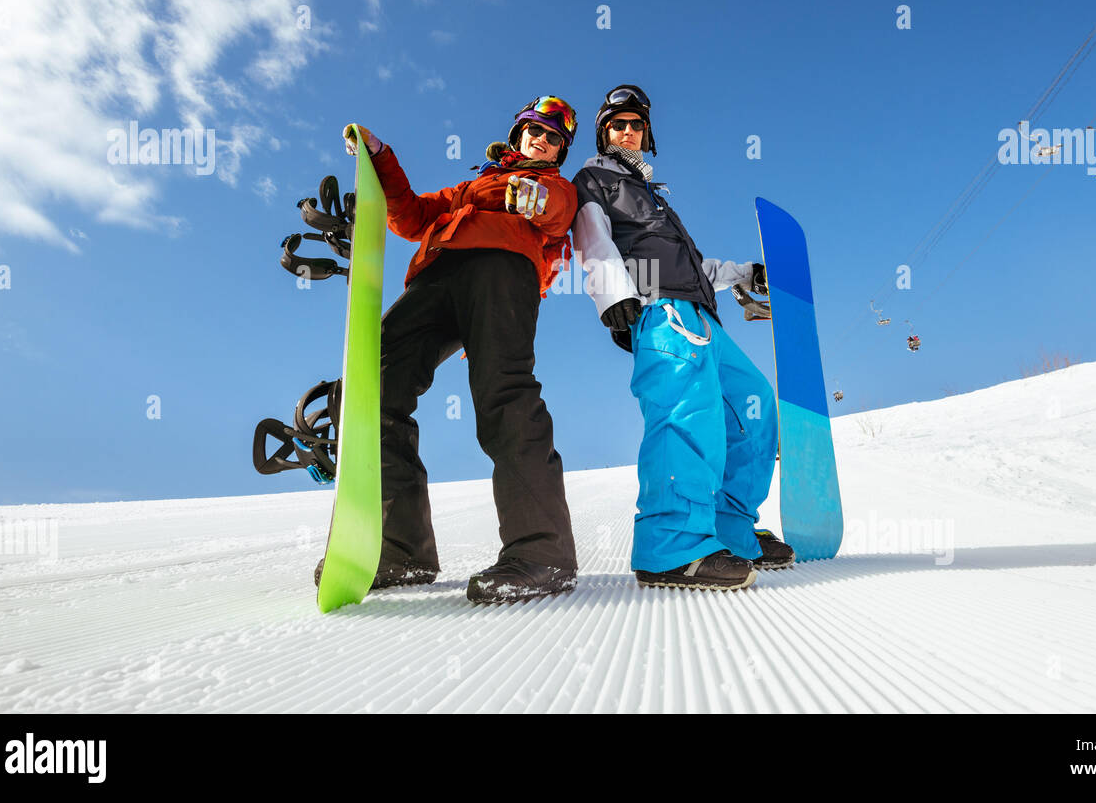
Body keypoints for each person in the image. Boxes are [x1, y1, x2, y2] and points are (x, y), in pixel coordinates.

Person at [323, 97, 581, 603]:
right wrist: (378, 156)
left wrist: (530, 195)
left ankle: (542, 554)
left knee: (503, 393)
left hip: (503, 272)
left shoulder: (553, 185)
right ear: (518, 133)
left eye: (555, 139)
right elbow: (411, 216)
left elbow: (558, 214)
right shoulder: (472, 186)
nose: (543, 140)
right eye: (536, 130)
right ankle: (402, 552)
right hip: (436, 275)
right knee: (376, 385)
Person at [570, 84, 794, 591]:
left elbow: (693, 265)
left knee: (753, 407)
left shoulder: (654, 195)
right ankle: (672, 545)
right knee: (686, 416)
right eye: (618, 124)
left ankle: (729, 531)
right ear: (604, 132)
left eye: (636, 125)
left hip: (702, 316)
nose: (628, 132)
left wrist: (742, 274)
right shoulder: (595, 180)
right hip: (660, 309)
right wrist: (611, 295)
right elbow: (591, 238)